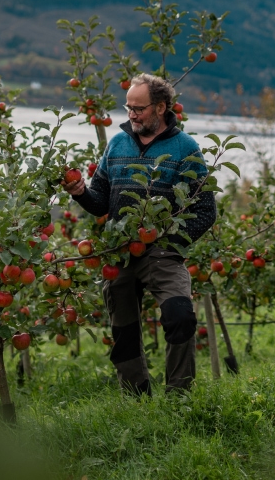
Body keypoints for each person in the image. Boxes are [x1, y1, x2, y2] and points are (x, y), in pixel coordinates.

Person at [63, 73, 217, 394]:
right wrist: (80, 193)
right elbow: (101, 200)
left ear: (161, 108)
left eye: (139, 108)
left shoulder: (184, 148)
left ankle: (179, 396)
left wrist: (169, 244)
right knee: (125, 333)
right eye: (128, 107)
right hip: (120, 251)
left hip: (162, 252)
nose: (131, 114)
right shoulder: (117, 144)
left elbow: (205, 210)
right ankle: (137, 398)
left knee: (180, 318)